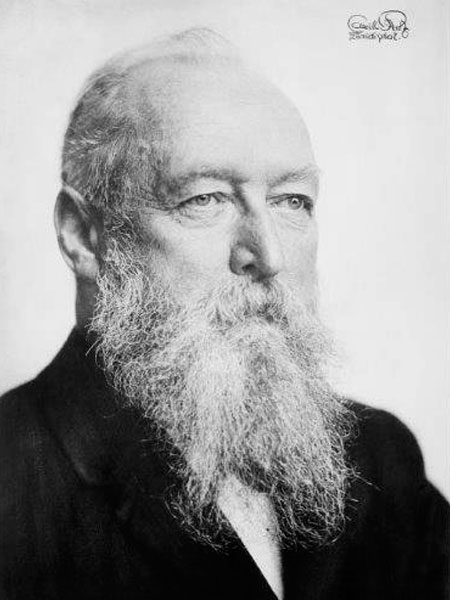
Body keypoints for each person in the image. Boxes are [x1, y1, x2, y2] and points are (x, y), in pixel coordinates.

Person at [0, 28, 448, 600]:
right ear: (84, 235)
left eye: (292, 201)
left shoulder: (381, 462)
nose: (269, 256)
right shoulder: (12, 483)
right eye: (205, 198)